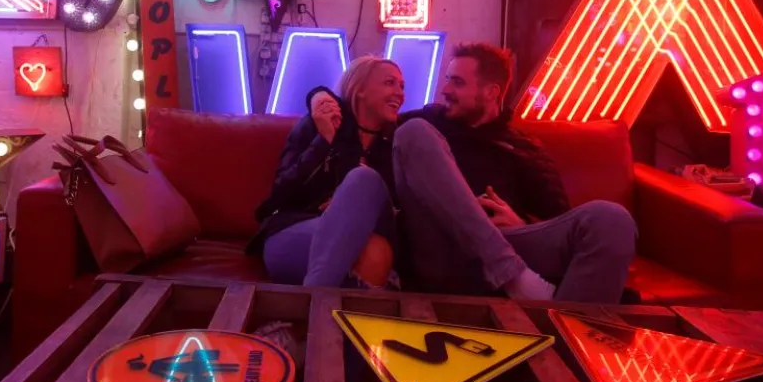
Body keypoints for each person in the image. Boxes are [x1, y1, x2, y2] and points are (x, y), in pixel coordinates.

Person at [393, 43, 637, 304]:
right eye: (447, 80)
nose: (445, 90)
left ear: (491, 92)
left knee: (611, 219)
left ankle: (564, 333)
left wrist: (523, 223)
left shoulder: (524, 148)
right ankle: (509, 273)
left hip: (510, 245)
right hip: (442, 245)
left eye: (457, 83)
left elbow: (558, 219)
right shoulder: (427, 123)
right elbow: (369, 120)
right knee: (414, 132)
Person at [250, 56, 404, 288]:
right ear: (359, 88)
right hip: (295, 229)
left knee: (375, 249)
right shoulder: (322, 121)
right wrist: (323, 141)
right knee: (363, 180)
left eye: (402, 86)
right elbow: (281, 192)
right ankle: (318, 304)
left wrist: (349, 205)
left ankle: (313, 311)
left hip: (362, 237)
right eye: (390, 83)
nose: (400, 93)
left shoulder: (395, 144)